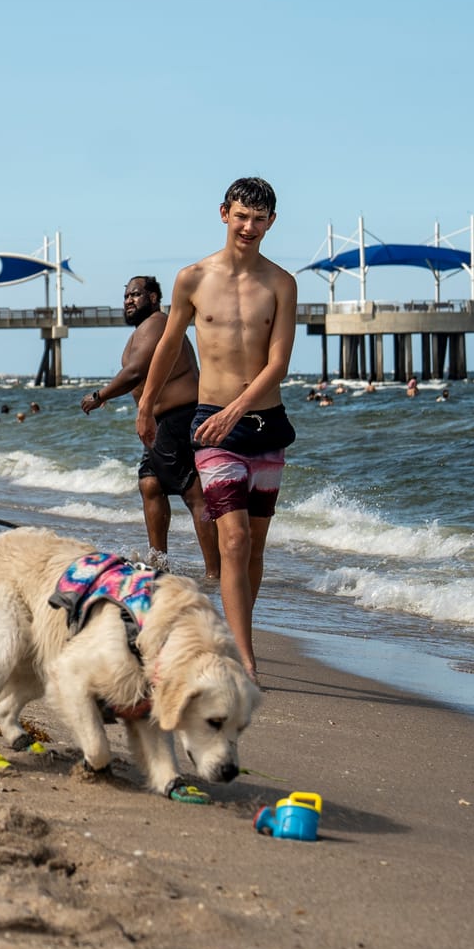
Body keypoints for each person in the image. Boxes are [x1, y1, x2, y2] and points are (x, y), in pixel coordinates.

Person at [136, 178, 296, 684]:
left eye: (260, 219)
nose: (249, 227)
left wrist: (240, 409)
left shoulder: (281, 284)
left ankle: (235, 631)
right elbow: (166, 346)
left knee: (254, 546)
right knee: (233, 541)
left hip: (266, 424)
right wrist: (146, 405)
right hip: (213, 425)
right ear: (224, 213)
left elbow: (279, 364)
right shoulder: (193, 278)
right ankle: (244, 658)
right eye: (241, 216)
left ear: (271, 222)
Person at [80, 275, 217, 579]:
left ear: (154, 298)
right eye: (126, 296)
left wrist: (99, 396)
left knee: (193, 493)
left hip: (179, 416)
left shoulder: (157, 322)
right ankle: (159, 565)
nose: (129, 300)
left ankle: (215, 573)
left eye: (136, 295)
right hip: (162, 423)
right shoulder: (144, 329)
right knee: (150, 484)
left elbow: (136, 371)